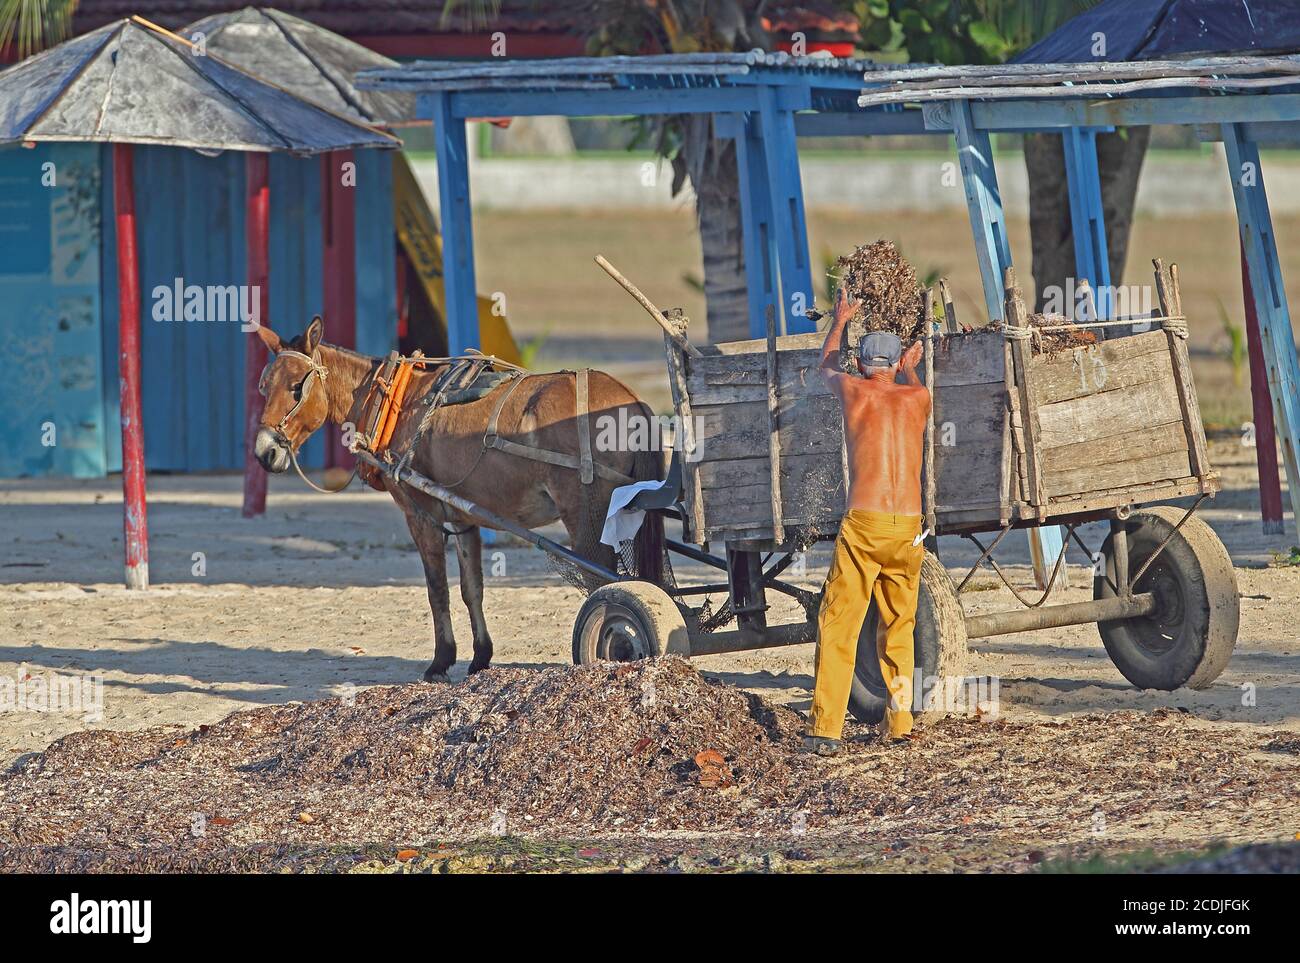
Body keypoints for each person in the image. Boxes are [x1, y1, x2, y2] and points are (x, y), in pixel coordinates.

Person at [804, 286, 931, 756]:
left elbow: (825, 367)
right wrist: (912, 364)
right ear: (896, 366)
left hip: (866, 524)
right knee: (899, 627)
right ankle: (900, 725)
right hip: (909, 528)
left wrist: (839, 319)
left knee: (840, 623)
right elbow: (913, 385)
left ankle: (825, 730)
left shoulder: (854, 391)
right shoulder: (919, 398)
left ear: (862, 365)